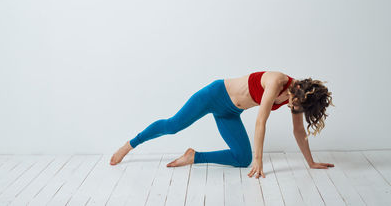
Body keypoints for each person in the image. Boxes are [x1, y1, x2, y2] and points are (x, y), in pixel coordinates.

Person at [110, 71, 335, 179]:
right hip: (214, 95)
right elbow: (260, 121)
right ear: (297, 90)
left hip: (230, 112)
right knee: (173, 125)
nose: (292, 107)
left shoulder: (299, 98)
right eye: (294, 102)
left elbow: (298, 131)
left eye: (297, 106)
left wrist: (311, 162)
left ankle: (193, 157)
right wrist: (259, 160)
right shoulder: (277, 81)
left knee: (241, 159)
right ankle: (130, 145)